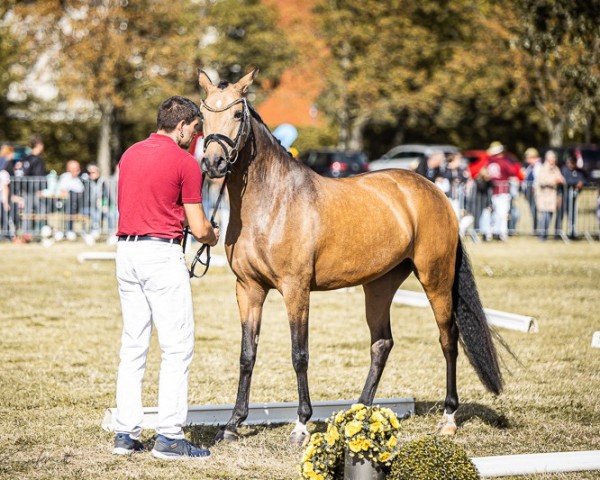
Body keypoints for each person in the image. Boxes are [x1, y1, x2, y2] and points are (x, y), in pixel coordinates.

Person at [113, 96, 219, 459]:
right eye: (195, 129)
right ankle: (170, 436)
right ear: (182, 126)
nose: (197, 136)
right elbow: (198, 225)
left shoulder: (129, 154)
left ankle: (125, 433)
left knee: (134, 345)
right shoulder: (184, 162)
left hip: (126, 252)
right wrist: (211, 235)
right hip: (160, 254)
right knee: (176, 347)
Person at [483, 141, 515, 241]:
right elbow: (512, 171)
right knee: (503, 214)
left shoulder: (488, 162)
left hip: (492, 191)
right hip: (502, 191)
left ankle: (492, 232)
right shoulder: (503, 162)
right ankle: (502, 234)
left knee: (493, 213)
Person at [534, 150, 565, 241]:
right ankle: (542, 235)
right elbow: (542, 180)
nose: (554, 160)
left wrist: (559, 180)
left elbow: (561, 179)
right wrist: (554, 181)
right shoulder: (543, 168)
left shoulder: (556, 169)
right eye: (553, 158)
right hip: (544, 196)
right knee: (545, 216)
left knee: (550, 215)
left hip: (553, 196)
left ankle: (545, 233)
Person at [560, 156, 586, 239]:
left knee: (572, 215)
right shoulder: (564, 170)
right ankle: (558, 233)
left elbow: (584, 179)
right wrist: (576, 182)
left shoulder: (579, 171)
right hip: (564, 197)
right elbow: (567, 180)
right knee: (561, 215)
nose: (570, 165)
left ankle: (572, 233)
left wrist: (581, 183)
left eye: (572, 163)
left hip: (573, 198)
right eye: (569, 163)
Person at [522, 147, 542, 235]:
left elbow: (538, 179)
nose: (526, 159)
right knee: (533, 211)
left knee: (538, 211)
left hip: (536, 192)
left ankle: (539, 229)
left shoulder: (538, 167)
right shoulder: (530, 167)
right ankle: (535, 229)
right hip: (530, 192)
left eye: (528, 157)